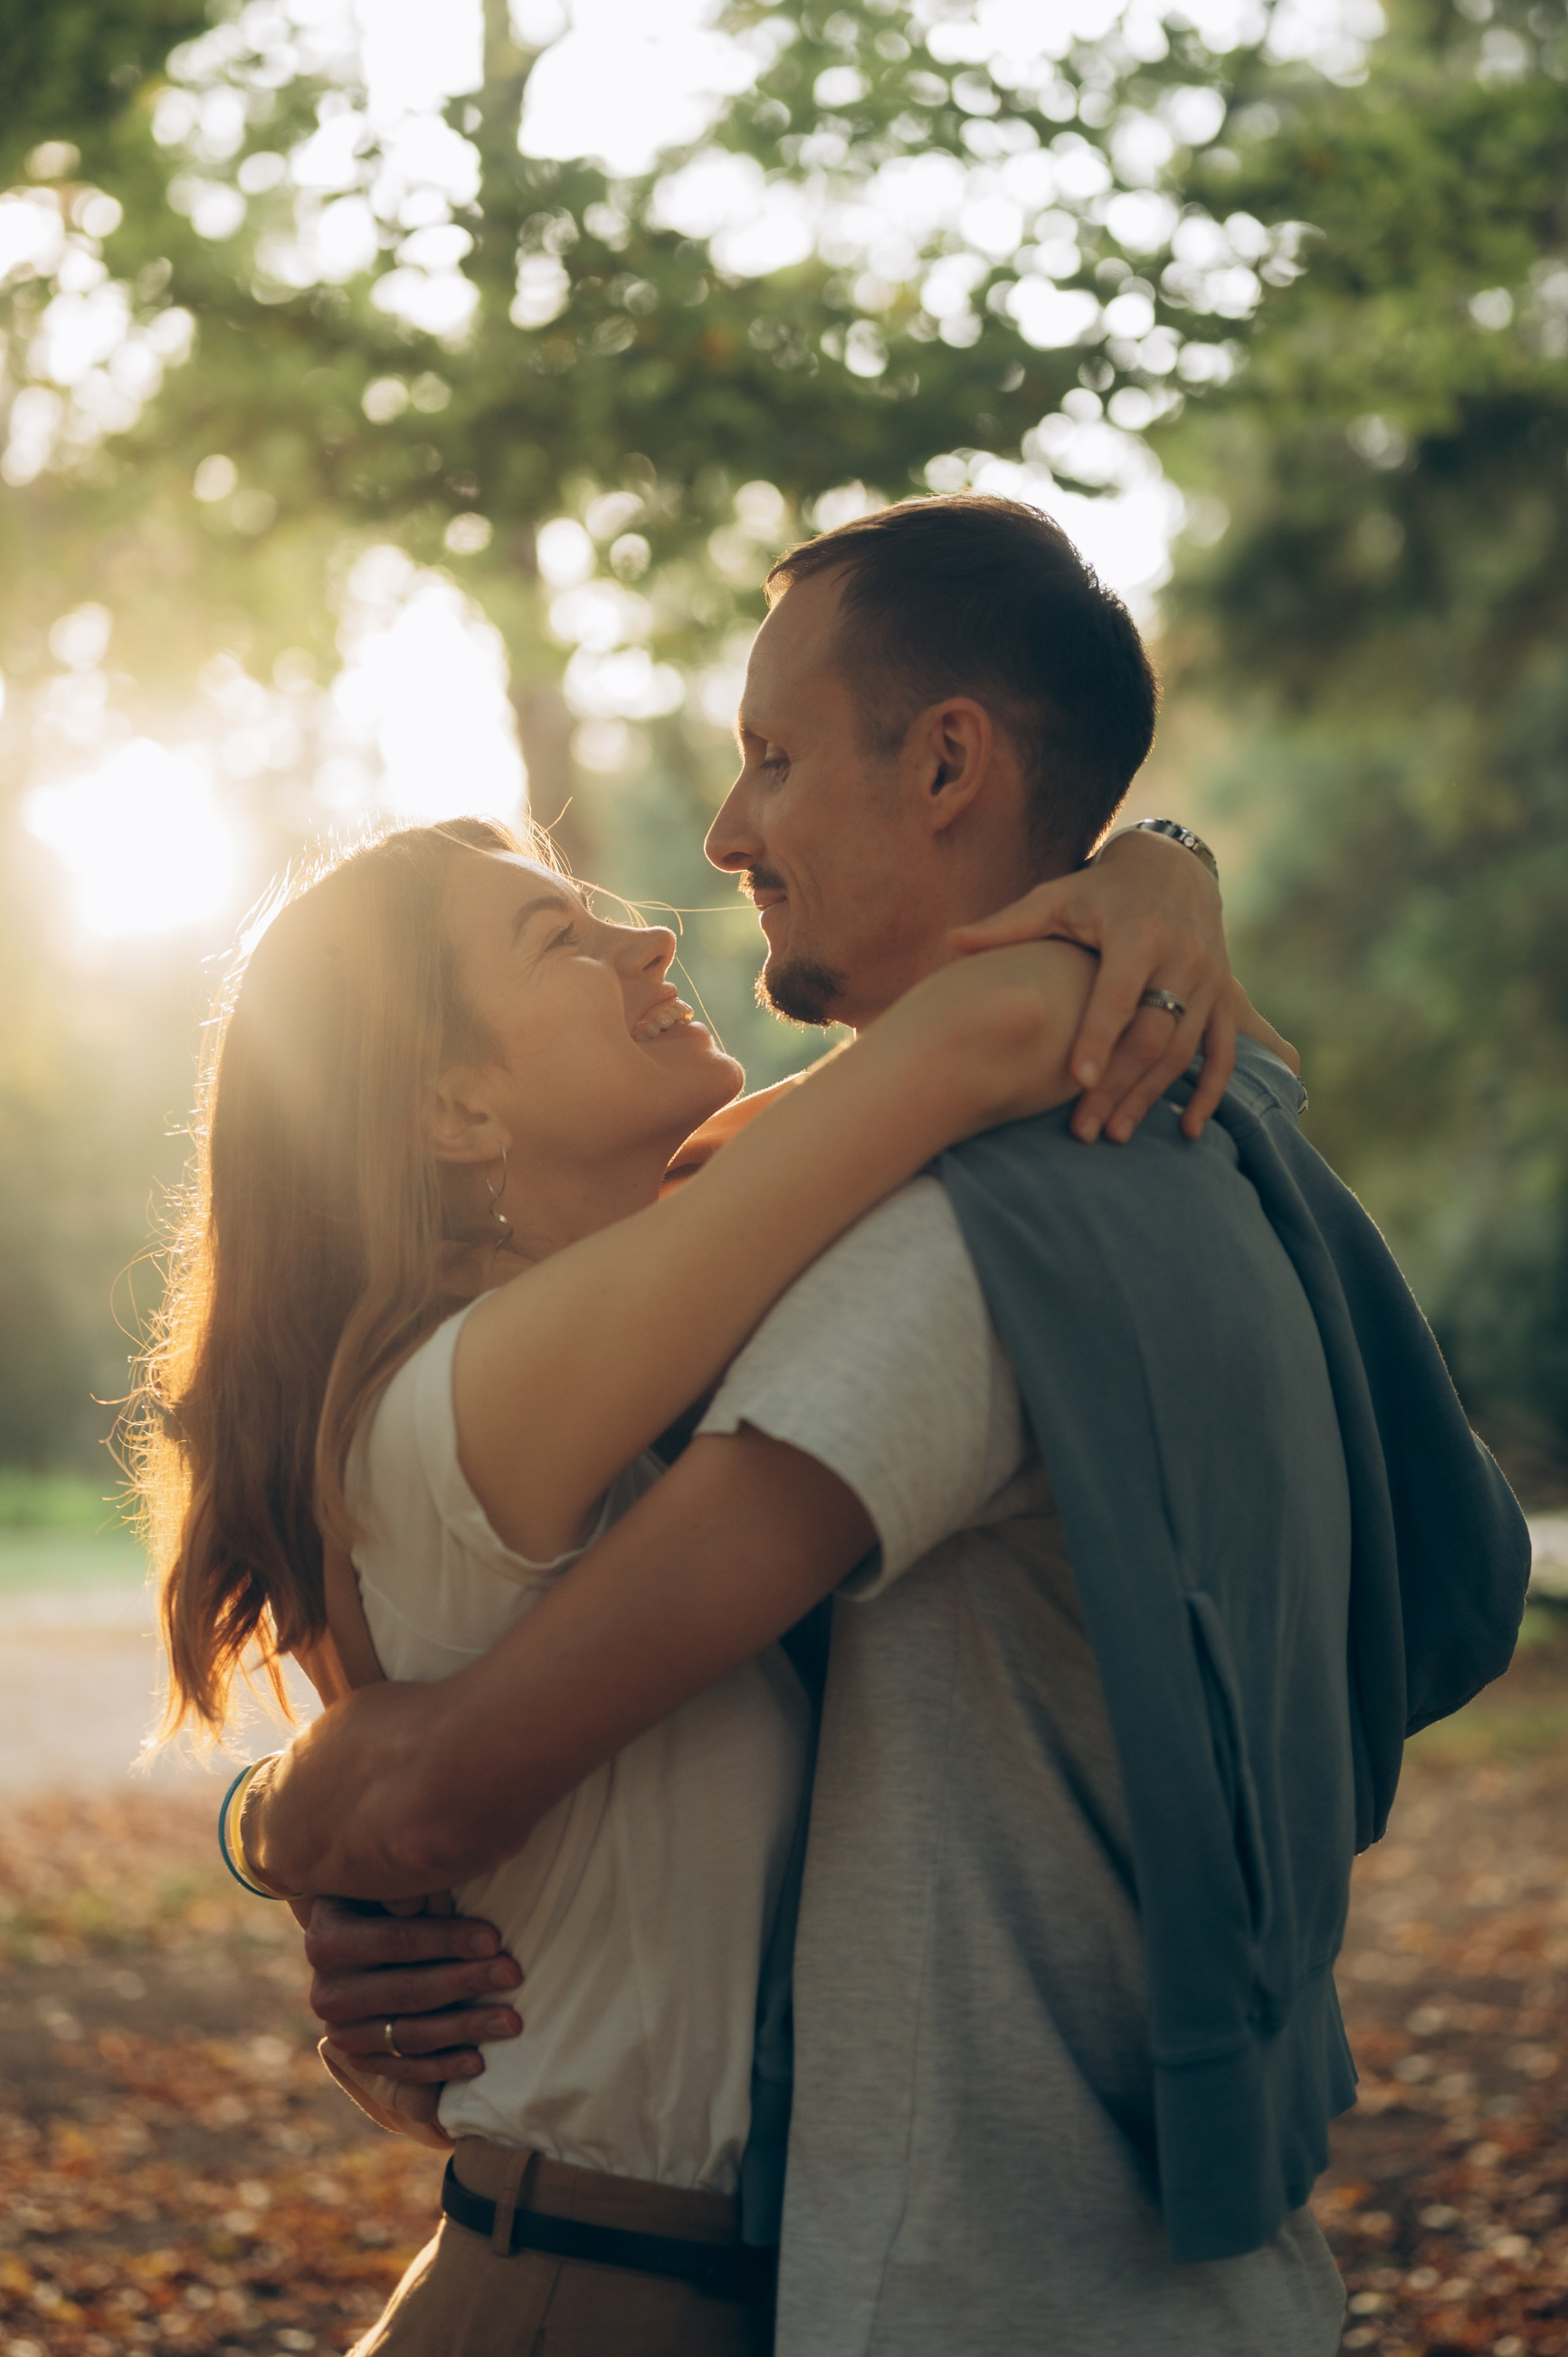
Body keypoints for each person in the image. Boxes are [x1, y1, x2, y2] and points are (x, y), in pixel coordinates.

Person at [248, 497, 1528, 2354]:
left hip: (997, 2286)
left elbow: (449, 1774)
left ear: (946, 762)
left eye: (771, 758)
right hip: (1182, 2277)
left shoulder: (960, 1251)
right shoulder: (1214, 1142)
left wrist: (293, 1818)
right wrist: (1154, 866)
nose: (718, 838)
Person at [138, 782, 1257, 2353]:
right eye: (561, 936)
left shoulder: (620, 1371)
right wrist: (1157, 880)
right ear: (456, 1109)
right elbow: (982, 1039)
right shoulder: (464, 1406)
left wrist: (1166, 868)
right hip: (588, 2297)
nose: (650, 927)